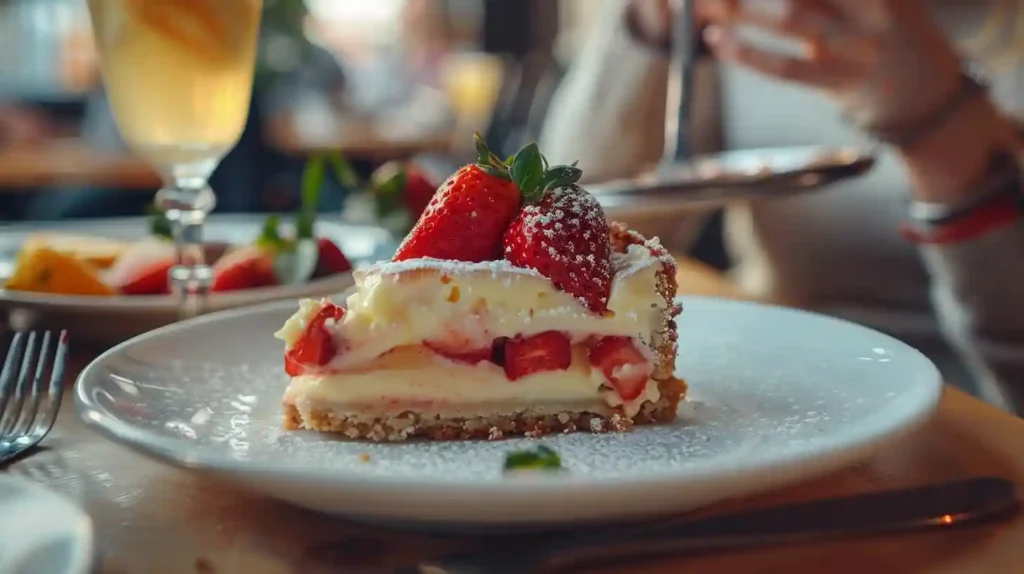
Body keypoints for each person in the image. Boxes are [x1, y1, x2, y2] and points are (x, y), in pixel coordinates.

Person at [539, 0, 1024, 413]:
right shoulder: (746, 18)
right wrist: (654, 26)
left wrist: (942, 130)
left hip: (976, 425)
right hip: (771, 395)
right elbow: (573, 264)